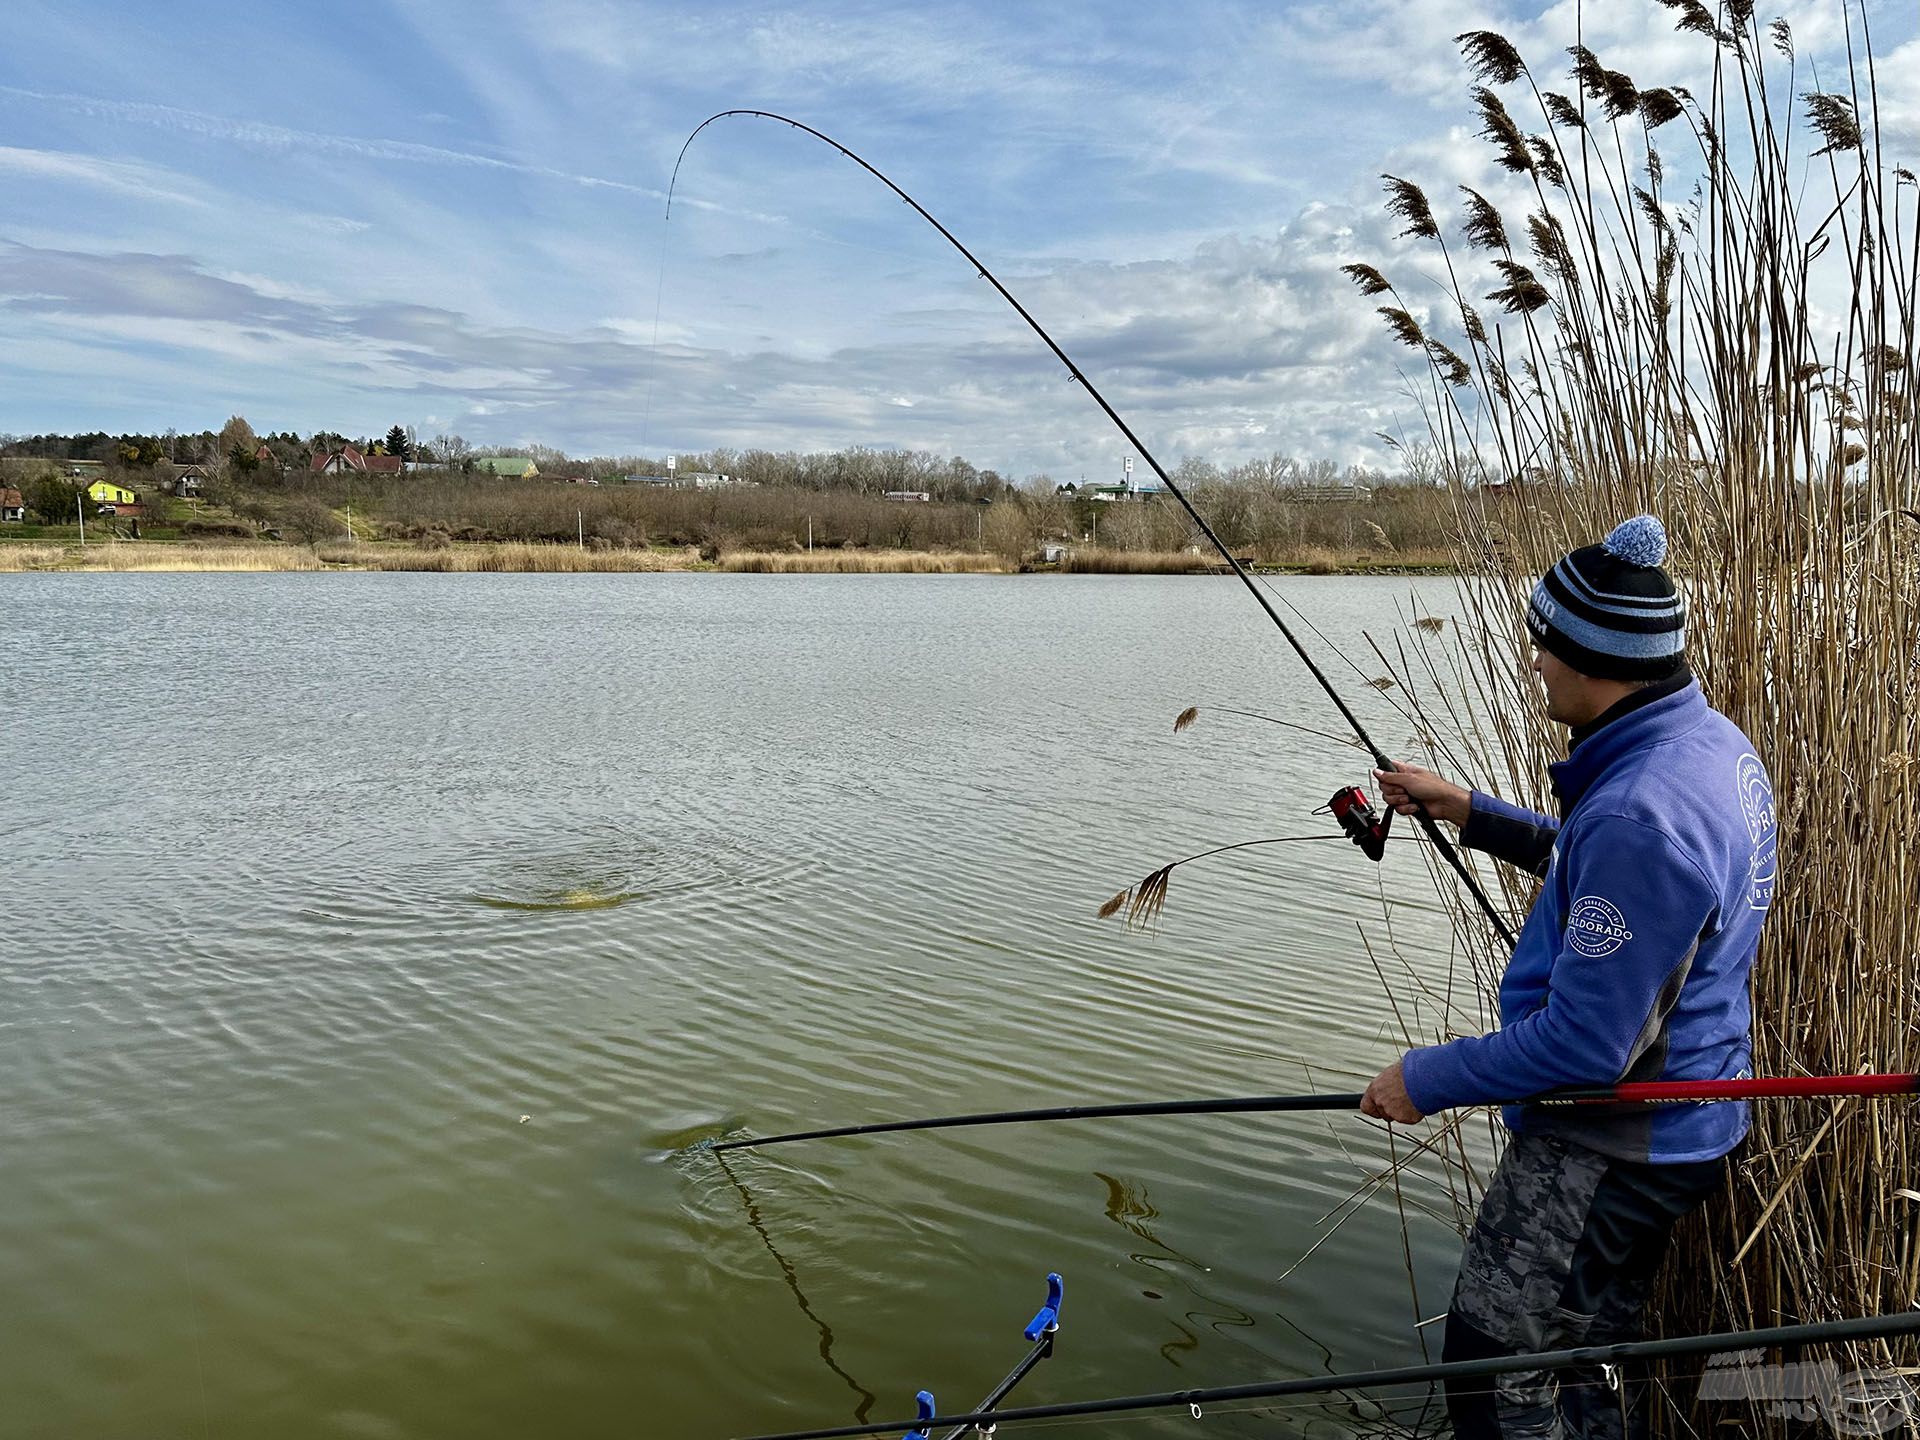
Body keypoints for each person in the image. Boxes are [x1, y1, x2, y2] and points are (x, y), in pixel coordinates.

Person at [1360, 514, 1777, 1439]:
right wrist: (1471, 811)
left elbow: (1587, 1043)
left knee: (1493, 1368)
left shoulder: (1640, 812)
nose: (1534, 664)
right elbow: (1613, 874)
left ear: (1594, 660)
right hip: (1684, 1123)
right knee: (1585, 1352)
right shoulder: (1708, 750)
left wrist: (1425, 1079)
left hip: (1612, 1146)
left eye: (1545, 646)